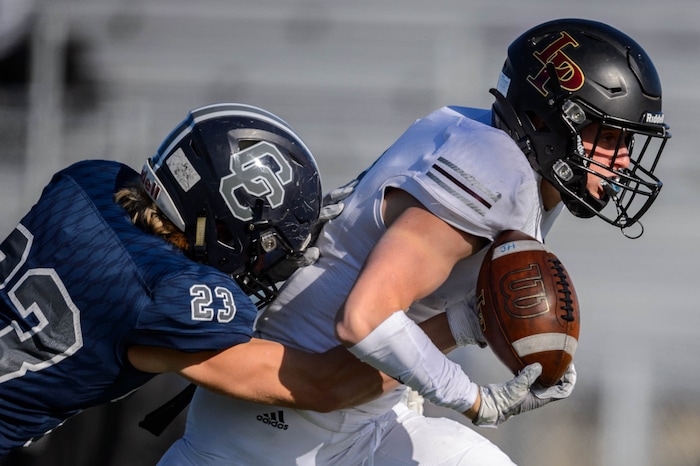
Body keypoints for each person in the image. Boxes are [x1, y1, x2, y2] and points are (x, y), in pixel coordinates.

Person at [158, 18, 671, 465]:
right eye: (610, 137)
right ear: (552, 123)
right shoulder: (497, 172)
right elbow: (366, 318)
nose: (623, 160)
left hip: (352, 422)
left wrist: (467, 320)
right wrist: (473, 399)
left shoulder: (480, 139)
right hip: (267, 443)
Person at [0, 102, 426, 458]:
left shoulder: (87, 180)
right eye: (266, 246)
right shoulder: (164, 294)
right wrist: (451, 329)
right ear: (221, 226)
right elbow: (321, 385)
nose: (265, 262)